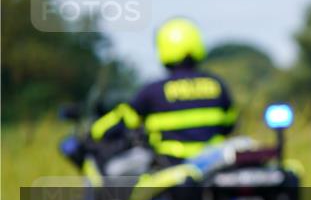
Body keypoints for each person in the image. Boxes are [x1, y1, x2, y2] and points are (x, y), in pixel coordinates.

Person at [90, 17, 238, 167]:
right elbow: (229, 125)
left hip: (171, 168)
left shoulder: (153, 91)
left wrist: (94, 133)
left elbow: (119, 121)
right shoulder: (217, 85)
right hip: (213, 165)